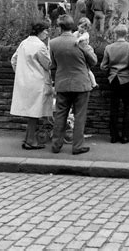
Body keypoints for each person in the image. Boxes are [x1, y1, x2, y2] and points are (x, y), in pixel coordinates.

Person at [50, 14, 98, 155]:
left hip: (62, 83)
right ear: (72, 26)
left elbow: (52, 64)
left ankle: (56, 145)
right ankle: (77, 146)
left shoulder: (52, 43)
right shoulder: (80, 42)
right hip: (81, 84)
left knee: (60, 115)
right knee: (80, 116)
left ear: (60, 27)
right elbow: (94, 61)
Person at [10, 20, 53, 150]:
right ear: (39, 31)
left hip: (25, 82)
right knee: (34, 113)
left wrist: (21, 74)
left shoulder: (24, 43)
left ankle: (29, 138)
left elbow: (14, 60)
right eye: (45, 30)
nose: (47, 33)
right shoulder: (40, 46)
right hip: (37, 82)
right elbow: (48, 64)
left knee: (31, 113)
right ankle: (30, 141)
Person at [100, 24, 129, 144]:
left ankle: (114, 136)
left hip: (113, 79)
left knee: (114, 108)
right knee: (127, 108)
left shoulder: (109, 47)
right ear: (126, 34)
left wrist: (110, 72)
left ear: (115, 34)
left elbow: (103, 66)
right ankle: (125, 135)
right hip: (126, 79)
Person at [73, 16, 98, 89]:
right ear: (78, 25)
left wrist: (78, 40)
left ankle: (94, 83)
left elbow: (83, 37)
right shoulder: (75, 33)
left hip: (85, 51)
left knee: (88, 70)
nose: (83, 29)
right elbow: (72, 37)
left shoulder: (86, 34)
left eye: (85, 28)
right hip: (79, 51)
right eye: (82, 27)